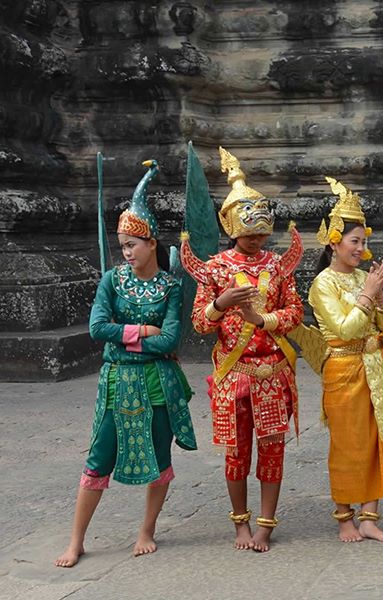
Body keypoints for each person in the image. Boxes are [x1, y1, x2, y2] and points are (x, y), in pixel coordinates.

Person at [55, 160, 197, 567]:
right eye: (122, 246)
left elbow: (172, 338)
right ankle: (76, 540)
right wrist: (143, 334)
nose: (127, 252)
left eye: (133, 244)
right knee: (99, 456)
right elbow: (98, 328)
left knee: (159, 454)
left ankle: (146, 530)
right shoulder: (112, 281)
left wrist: (131, 334)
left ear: (152, 242)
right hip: (117, 380)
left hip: (157, 382)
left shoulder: (171, 286)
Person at [180, 147, 304, 552]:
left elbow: (295, 312)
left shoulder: (277, 266)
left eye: (262, 233)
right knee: (236, 454)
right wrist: (222, 303)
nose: (257, 240)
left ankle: (266, 523)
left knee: (272, 450)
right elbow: (199, 323)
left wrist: (264, 321)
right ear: (232, 227)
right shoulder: (215, 269)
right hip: (233, 374)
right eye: (249, 233)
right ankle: (240, 524)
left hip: (271, 371)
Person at [307, 176, 383, 543]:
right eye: (355, 241)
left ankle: (370, 516)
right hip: (343, 366)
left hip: (376, 365)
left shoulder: (365, 276)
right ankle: (344, 516)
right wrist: (369, 294)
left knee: (375, 438)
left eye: (364, 242)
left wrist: (381, 301)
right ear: (335, 243)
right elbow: (346, 329)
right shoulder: (323, 283)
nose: (361, 248)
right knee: (348, 443)